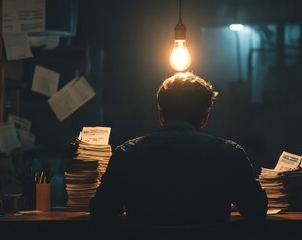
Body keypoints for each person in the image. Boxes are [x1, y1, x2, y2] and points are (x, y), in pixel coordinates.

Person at [89, 72, 267, 238]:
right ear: (204, 118)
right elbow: (256, 208)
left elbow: (101, 210)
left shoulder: (127, 153)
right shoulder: (230, 154)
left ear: (161, 116)